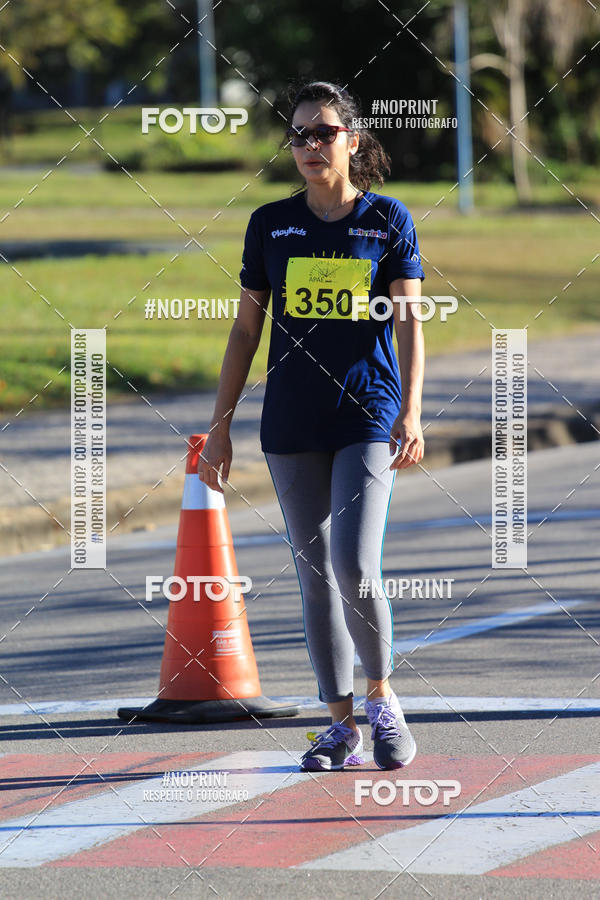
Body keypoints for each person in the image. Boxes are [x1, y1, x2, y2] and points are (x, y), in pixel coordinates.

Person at [198, 80, 425, 772]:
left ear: (352, 140)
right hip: (291, 419)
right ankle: (339, 725)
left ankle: (383, 702)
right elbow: (245, 331)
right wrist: (220, 425)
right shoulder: (270, 223)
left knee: (354, 565)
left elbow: (409, 321)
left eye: (324, 132)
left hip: (367, 412)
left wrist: (413, 409)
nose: (310, 145)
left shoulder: (386, 218)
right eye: (298, 134)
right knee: (315, 573)